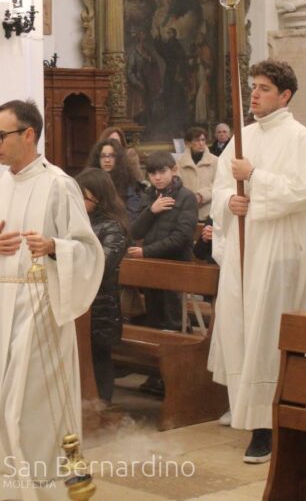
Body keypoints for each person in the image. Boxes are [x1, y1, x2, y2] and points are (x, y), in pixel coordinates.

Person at [0, 99, 103, 499]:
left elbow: (88, 249)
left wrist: (54, 247)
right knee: (1, 406)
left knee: (29, 408)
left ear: (29, 134)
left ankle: (49, 492)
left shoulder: (59, 184)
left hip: (41, 306)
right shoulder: (2, 186)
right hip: (6, 307)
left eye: (1, 136)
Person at [207, 59, 306, 464]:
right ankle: (243, 403)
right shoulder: (242, 135)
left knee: (268, 332)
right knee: (240, 324)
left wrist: (253, 176)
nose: (254, 94)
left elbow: (303, 191)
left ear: (285, 95)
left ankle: (266, 424)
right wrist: (229, 200)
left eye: (264, 88)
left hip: (279, 248)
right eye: (253, 86)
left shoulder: (299, 137)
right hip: (244, 244)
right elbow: (220, 188)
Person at [129, 150, 197, 335]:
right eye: (152, 173)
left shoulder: (186, 196)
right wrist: (151, 211)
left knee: (173, 320)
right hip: (152, 267)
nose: (157, 178)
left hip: (175, 266)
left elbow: (182, 237)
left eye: (162, 172)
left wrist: (146, 251)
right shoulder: (149, 196)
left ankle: (179, 360)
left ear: (173, 170)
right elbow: (135, 231)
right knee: (154, 320)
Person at [76, 168, 128, 403]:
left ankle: (102, 407)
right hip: (80, 305)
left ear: (98, 196)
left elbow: (103, 265)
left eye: (82, 196)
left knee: (99, 358)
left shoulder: (113, 227)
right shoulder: (77, 224)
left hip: (102, 307)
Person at [86, 138, 145, 222]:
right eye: (103, 156)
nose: (107, 160)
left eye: (112, 156)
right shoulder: (91, 181)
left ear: (118, 159)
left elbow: (132, 214)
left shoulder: (128, 182)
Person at [177, 126, 218, 222]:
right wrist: (189, 199)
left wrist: (201, 196)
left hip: (208, 211)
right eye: (196, 140)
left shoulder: (214, 161)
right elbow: (177, 184)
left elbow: (218, 184)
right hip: (186, 211)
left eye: (203, 140)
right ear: (189, 143)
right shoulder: (180, 162)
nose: (201, 143)